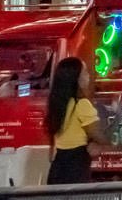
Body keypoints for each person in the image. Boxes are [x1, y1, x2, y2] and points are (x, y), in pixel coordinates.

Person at [45, 56, 106, 184]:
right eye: (84, 72)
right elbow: (101, 136)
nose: (88, 76)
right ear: (76, 78)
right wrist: (117, 115)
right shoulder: (81, 104)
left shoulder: (58, 103)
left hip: (57, 167)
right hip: (76, 167)